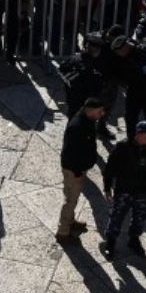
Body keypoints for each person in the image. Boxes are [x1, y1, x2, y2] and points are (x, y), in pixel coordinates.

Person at [101, 122, 146, 261]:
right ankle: (111, 243)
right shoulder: (122, 147)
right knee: (116, 217)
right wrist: (107, 189)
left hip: (143, 191)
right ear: (139, 135)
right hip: (124, 190)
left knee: (140, 218)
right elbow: (109, 169)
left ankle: (134, 239)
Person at [56, 98, 106, 243]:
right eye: (99, 111)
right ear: (90, 110)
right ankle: (63, 233)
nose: (102, 114)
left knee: (73, 197)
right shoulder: (77, 127)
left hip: (78, 168)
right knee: (70, 200)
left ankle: (70, 222)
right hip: (73, 170)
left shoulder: (87, 119)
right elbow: (71, 154)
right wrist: (78, 173)